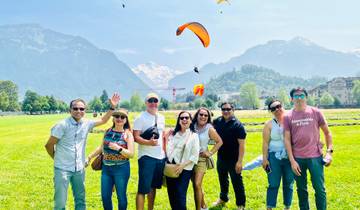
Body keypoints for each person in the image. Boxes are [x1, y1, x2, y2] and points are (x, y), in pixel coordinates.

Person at [45, 93, 120, 210]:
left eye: (81, 109)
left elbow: (103, 120)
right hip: (62, 169)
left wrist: (112, 108)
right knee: (60, 203)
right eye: (75, 108)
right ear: (70, 110)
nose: (78, 111)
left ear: (85, 110)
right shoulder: (61, 125)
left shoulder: (86, 123)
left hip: (79, 169)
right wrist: (56, 158)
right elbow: (49, 145)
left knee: (80, 200)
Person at [284, 87, 333, 210]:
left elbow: (327, 133)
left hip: (315, 157)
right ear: (292, 99)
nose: (299, 98)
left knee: (320, 189)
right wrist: (292, 161)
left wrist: (329, 152)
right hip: (298, 159)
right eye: (296, 96)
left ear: (306, 97)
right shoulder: (288, 116)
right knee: (301, 190)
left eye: (302, 95)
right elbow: (287, 140)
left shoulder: (316, 112)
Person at [87, 109, 134, 210]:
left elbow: (131, 154)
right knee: (105, 197)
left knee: (121, 197)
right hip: (106, 169)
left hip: (121, 169)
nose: (119, 119)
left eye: (122, 117)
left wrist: (119, 148)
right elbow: (101, 148)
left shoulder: (128, 134)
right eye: (117, 116)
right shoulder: (108, 131)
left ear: (126, 120)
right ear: (113, 118)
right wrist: (90, 157)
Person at [133, 93, 166, 210]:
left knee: (153, 187)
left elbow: (162, 136)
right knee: (142, 189)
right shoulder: (140, 118)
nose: (153, 103)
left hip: (160, 158)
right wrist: (148, 143)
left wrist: (165, 153)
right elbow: (136, 137)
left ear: (158, 102)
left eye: (155, 100)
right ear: (146, 103)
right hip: (146, 157)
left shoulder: (161, 117)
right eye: (150, 100)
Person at [212, 102, 247, 210]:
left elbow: (242, 145)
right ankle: (223, 198)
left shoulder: (238, 125)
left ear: (233, 110)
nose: (226, 111)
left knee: (237, 181)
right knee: (222, 179)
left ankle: (240, 204)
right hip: (221, 157)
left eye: (228, 109)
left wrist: (240, 161)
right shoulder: (217, 121)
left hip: (234, 159)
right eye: (223, 109)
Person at [164, 111, 200, 210]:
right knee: (172, 195)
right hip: (171, 168)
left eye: (186, 118)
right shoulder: (173, 134)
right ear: (179, 121)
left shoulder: (194, 136)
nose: (184, 120)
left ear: (190, 120)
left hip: (184, 169)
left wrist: (182, 166)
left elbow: (194, 155)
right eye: (182, 118)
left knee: (180, 196)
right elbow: (168, 150)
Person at [262, 99, 294, 210]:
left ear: (282, 106)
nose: (277, 109)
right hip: (273, 157)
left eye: (278, 106)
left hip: (289, 157)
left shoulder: (291, 121)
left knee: (289, 182)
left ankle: (287, 206)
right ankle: (270, 207)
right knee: (273, 183)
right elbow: (265, 143)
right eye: (273, 108)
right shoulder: (269, 124)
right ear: (270, 111)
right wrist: (265, 159)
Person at [191, 107, 223, 210]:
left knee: (197, 183)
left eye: (206, 115)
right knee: (196, 186)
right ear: (197, 115)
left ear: (208, 117)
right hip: (189, 159)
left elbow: (219, 141)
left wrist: (210, 153)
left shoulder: (209, 128)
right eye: (201, 114)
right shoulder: (191, 126)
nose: (203, 117)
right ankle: (203, 206)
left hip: (201, 160)